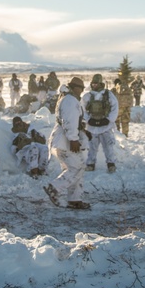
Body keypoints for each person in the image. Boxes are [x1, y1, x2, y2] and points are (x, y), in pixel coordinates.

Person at [44, 77, 91, 209]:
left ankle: (74, 199)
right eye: (81, 88)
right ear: (75, 87)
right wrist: (73, 139)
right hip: (65, 141)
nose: (82, 91)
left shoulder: (68, 99)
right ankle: (54, 188)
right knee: (77, 168)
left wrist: (82, 132)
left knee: (74, 167)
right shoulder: (70, 100)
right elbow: (69, 122)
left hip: (64, 139)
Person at [82, 74, 119, 172]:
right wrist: (88, 120)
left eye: (96, 83)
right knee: (92, 147)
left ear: (101, 83)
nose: (94, 85)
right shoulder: (88, 96)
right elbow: (82, 109)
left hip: (105, 125)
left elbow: (115, 108)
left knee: (108, 147)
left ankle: (111, 164)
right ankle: (90, 164)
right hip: (92, 126)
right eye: (93, 83)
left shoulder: (108, 95)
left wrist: (108, 120)